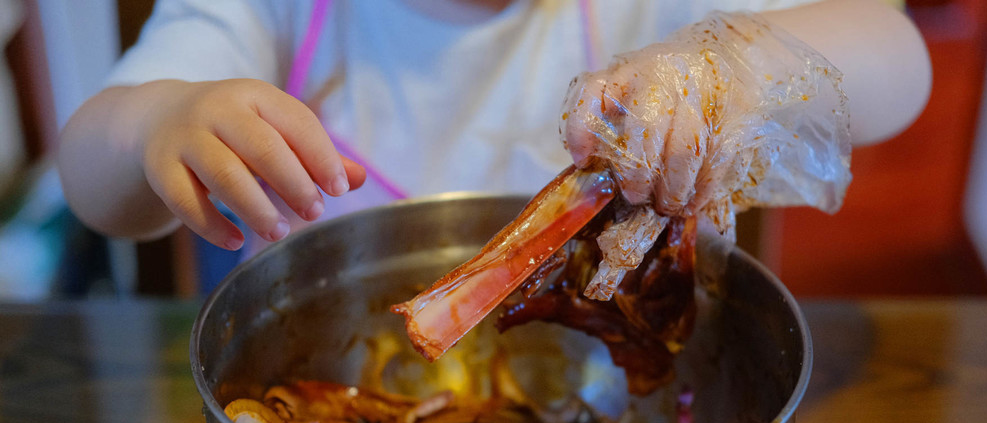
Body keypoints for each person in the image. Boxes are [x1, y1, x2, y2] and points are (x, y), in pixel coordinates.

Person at [57, 0, 930, 256]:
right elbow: (93, 180)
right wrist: (157, 124)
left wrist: (725, 65)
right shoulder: (268, 12)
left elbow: (898, 59)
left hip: (621, 418)